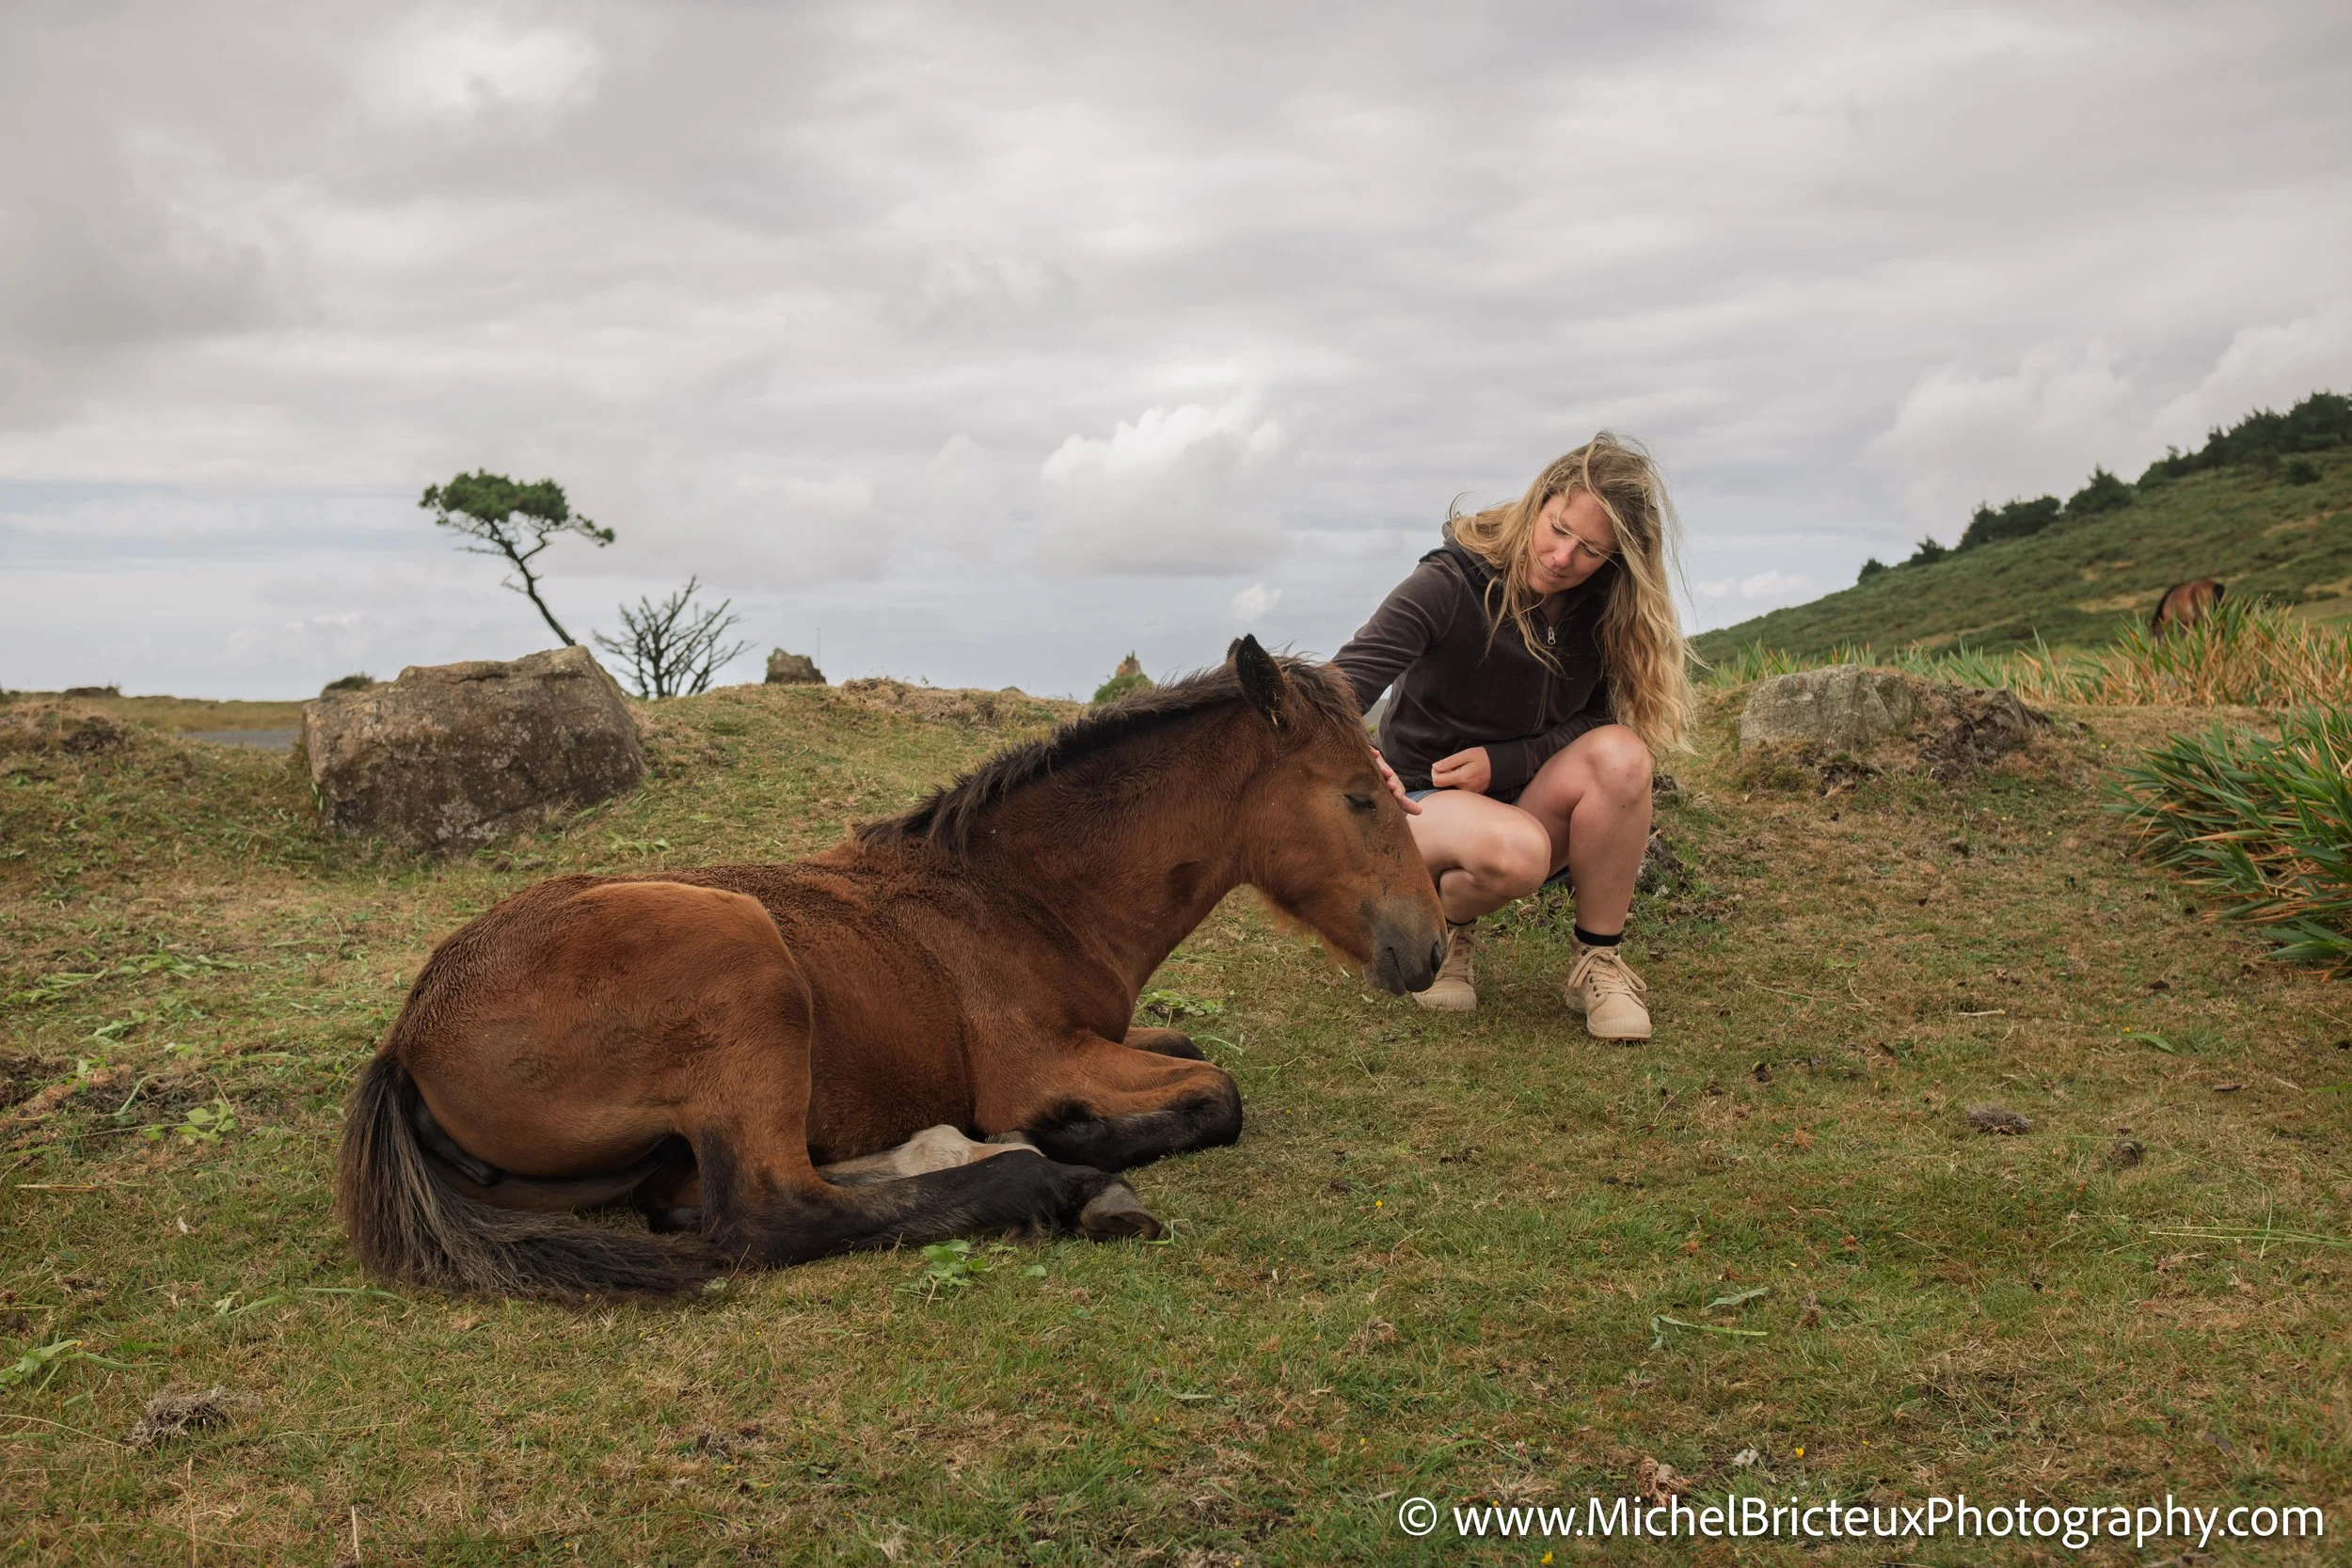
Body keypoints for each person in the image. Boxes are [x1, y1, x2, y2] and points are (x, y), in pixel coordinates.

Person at [1332, 433, 1692, 1038]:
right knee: (1519, 853)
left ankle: (1597, 962)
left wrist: (1506, 763)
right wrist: (1364, 762)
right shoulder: (1448, 583)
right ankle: (1440, 929)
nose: (1561, 558)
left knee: (1625, 759)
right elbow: (1336, 691)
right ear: (1539, 501)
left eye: (1590, 550)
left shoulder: (1602, 604)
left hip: (1520, 801)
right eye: (1557, 528)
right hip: (1419, 806)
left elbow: (1597, 722)